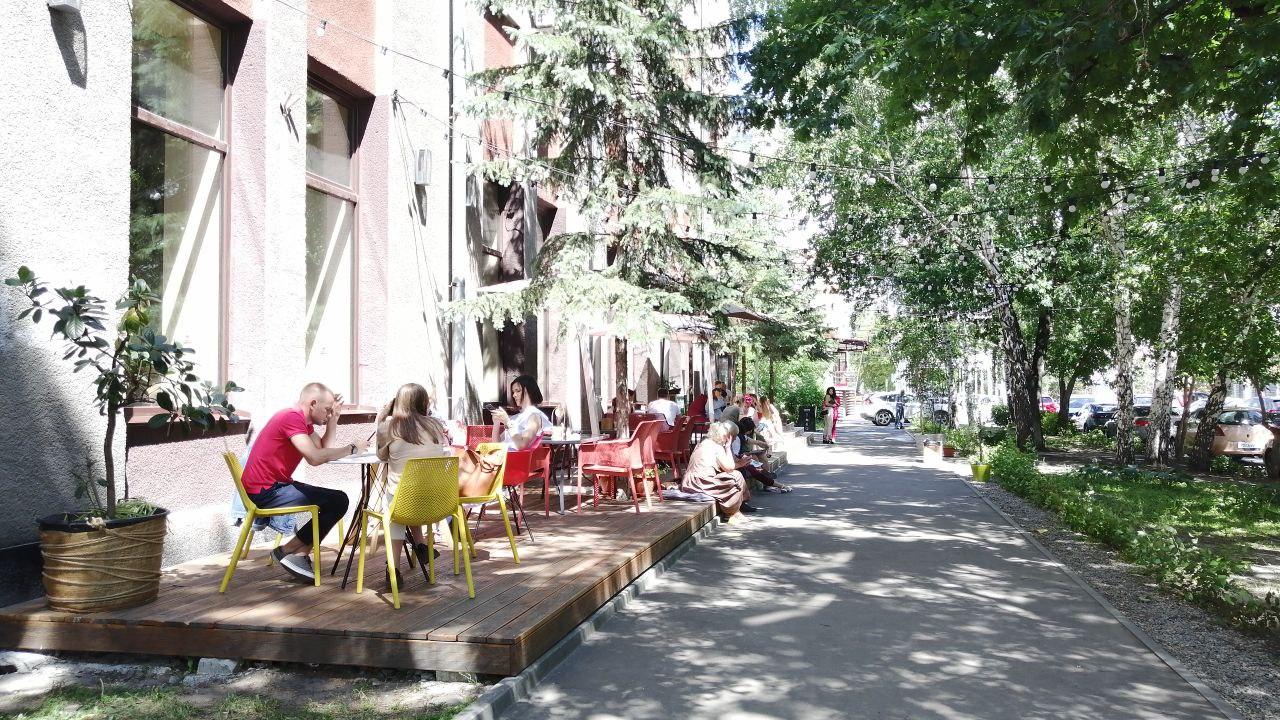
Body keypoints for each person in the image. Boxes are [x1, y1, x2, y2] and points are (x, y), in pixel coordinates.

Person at [240, 382, 365, 582]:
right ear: (313, 403)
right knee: (338, 501)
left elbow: (323, 448)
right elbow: (315, 458)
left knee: (337, 500)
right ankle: (291, 553)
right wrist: (351, 448)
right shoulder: (291, 418)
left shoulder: (302, 422)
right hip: (266, 491)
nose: (328, 414)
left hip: (274, 486)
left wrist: (334, 419)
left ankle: (292, 553)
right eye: (327, 410)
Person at [375, 383, 448, 589]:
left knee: (396, 505)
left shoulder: (389, 427)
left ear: (397, 403)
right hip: (436, 502)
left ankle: (394, 569)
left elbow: (381, 456)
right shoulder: (436, 425)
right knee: (409, 491)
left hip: (405, 502)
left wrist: (380, 420)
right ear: (423, 403)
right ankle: (421, 545)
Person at [680, 421, 756, 519]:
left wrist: (739, 462)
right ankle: (732, 511)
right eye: (734, 436)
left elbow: (728, 465)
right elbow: (729, 468)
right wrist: (728, 448)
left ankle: (739, 506)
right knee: (736, 476)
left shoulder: (704, 442)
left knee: (735, 475)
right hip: (702, 482)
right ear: (728, 436)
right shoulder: (717, 447)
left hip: (689, 481)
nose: (735, 439)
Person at [492, 375, 551, 451]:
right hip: (502, 456)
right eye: (513, 392)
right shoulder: (516, 417)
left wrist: (507, 422)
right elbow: (496, 445)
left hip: (517, 457)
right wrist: (496, 423)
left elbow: (522, 445)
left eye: (518, 391)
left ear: (529, 391)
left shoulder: (534, 416)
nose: (514, 395)